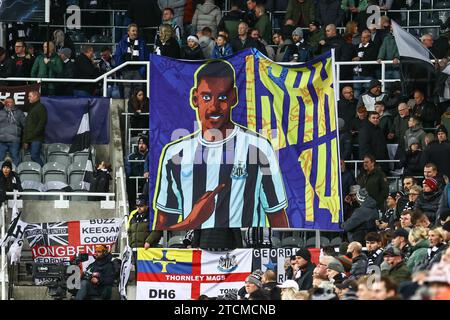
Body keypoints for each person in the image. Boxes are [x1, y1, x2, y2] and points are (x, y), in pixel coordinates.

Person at [154, 60, 289, 231]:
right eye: (206, 97)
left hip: (243, 253)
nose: (214, 106)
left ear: (234, 97)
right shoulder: (175, 154)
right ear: (195, 98)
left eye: (223, 97)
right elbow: (162, 228)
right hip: (195, 253)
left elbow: (277, 217)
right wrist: (191, 222)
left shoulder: (258, 148)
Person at [114, 23, 148, 98]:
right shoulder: (122, 43)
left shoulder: (142, 42)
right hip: (126, 70)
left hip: (138, 70)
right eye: (133, 31)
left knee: (139, 90)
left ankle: (138, 108)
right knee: (127, 90)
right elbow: (118, 56)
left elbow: (146, 57)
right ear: (128, 32)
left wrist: (143, 70)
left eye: (136, 31)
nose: (135, 33)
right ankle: (127, 108)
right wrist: (122, 69)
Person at [22, 91, 47, 167]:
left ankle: (43, 170)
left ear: (36, 96)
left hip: (36, 138)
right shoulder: (32, 107)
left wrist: (33, 135)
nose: (28, 98)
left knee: (34, 156)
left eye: (30, 96)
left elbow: (42, 123)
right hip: (31, 138)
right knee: (32, 156)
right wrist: (26, 140)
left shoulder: (40, 107)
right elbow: (27, 126)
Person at [352, 30, 378, 99]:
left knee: (368, 94)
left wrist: (360, 59)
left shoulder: (374, 47)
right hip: (357, 73)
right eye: (362, 37)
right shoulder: (355, 47)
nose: (363, 39)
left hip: (368, 74)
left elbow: (372, 59)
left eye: (365, 37)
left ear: (369, 38)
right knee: (356, 94)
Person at [0, 97, 25, 166]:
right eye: (7, 102)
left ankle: (15, 173)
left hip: (14, 141)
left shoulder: (19, 112)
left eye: (10, 102)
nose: (8, 104)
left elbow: (25, 126)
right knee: (0, 158)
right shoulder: (1, 112)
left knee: (15, 158)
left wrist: (25, 140)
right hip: (2, 141)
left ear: (14, 103)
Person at [125, 136, 149, 209]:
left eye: (143, 144)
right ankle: (132, 208)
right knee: (129, 183)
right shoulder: (131, 156)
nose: (141, 145)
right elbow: (128, 170)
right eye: (140, 143)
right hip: (133, 181)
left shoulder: (150, 155)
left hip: (145, 180)